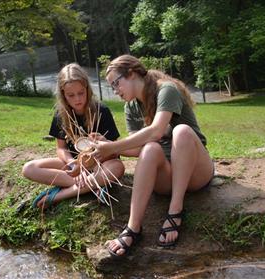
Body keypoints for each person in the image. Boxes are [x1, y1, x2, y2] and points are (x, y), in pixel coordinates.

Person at [90, 55, 214, 257]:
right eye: (112, 86)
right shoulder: (130, 107)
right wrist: (107, 146)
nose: (115, 91)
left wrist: (112, 147)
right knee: (149, 149)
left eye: (116, 83)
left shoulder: (166, 90)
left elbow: (157, 130)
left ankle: (175, 210)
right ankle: (133, 228)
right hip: (167, 177)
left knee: (181, 131)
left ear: (131, 74)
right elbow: (138, 148)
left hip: (196, 172)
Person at [22, 63, 124, 209]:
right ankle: (94, 186)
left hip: (100, 165)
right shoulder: (61, 115)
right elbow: (61, 149)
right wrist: (73, 164)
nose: (77, 99)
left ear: (87, 90)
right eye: (71, 95)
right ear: (63, 94)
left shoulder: (102, 111)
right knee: (29, 168)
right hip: (74, 168)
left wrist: (91, 163)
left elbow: (113, 152)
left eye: (81, 93)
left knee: (117, 167)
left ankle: (59, 195)